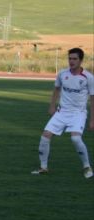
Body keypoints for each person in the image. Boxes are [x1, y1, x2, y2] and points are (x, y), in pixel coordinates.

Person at [32, 48, 93, 179]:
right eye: (70, 58)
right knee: (45, 136)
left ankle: (87, 167)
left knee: (75, 138)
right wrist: (52, 106)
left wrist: (93, 120)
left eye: (75, 59)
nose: (71, 61)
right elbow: (56, 90)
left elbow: (93, 99)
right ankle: (43, 167)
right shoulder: (62, 74)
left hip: (78, 113)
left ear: (81, 60)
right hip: (62, 111)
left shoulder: (88, 78)